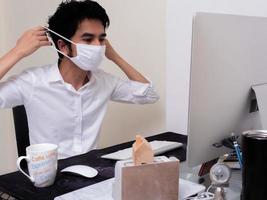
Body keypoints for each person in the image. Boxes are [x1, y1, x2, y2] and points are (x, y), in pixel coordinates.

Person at [0, 0, 159, 159]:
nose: (97, 46)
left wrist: (114, 56)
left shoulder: (103, 81)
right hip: (49, 176)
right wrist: (18, 51)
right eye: (88, 39)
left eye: (101, 39)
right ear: (63, 46)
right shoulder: (33, 81)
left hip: (93, 173)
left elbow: (149, 95)